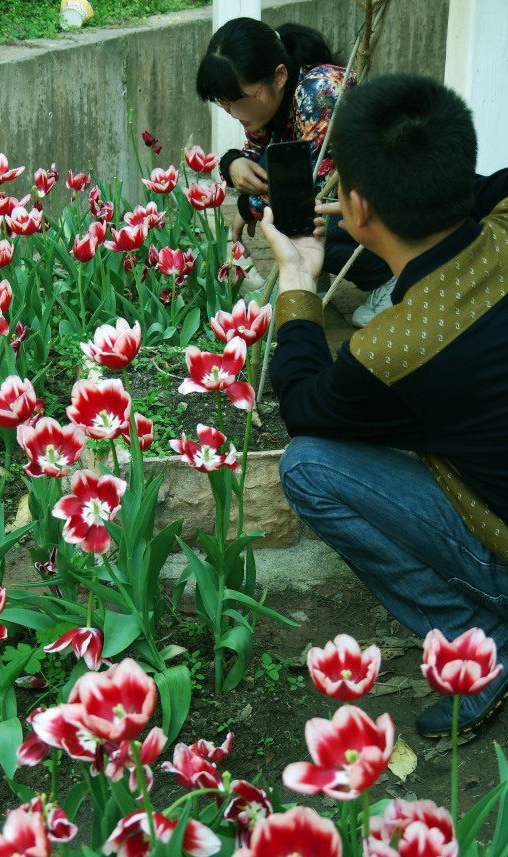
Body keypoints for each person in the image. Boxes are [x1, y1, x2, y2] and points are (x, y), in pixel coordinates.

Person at [258, 72, 508, 738]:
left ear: (358, 207)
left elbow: (306, 406)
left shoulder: (395, 350)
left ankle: (479, 643)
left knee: (308, 466)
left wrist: (296, 281)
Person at [196, 18, 396, 327]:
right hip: (356, 200)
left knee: (293, 218)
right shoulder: (274, 93)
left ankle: (391, 276)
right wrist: (232, 162)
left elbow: (311, 192)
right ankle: (310, 278)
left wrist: (247, 207)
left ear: (279, 76)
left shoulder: (320, 92)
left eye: (239, 102)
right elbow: (258, 151)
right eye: (224, 103)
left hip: (392, 209)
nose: (233, 113)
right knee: (277, 182)